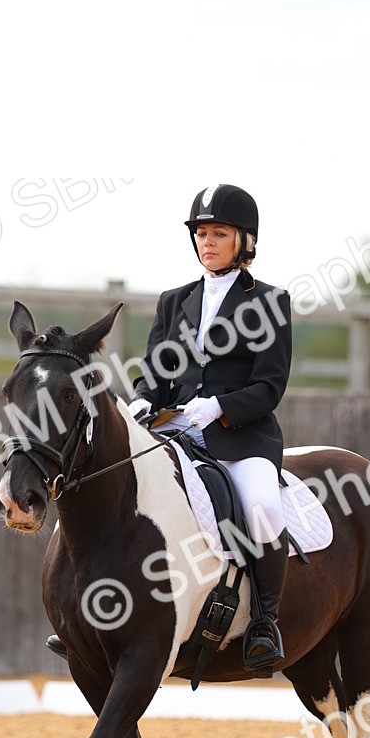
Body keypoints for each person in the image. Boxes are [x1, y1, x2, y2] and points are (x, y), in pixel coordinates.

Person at [129, 183, 292, 670]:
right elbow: (156, 373)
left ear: (244, 241)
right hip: (174, 433)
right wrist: (141, 402)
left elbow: (269, 386)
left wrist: (219, 406)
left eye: (219, 233)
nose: (207, 242)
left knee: (263, 505)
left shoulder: (269, 301)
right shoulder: (173, 301)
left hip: (239, 439)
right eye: (201, 233)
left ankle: (265, 621)